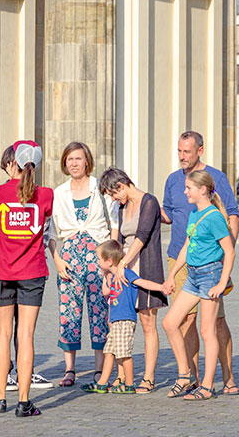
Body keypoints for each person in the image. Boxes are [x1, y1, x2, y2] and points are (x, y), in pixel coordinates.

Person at [162, 130, 239, 395]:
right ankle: (188, 376)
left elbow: (231, 220)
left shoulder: (215, 184)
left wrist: (222, 273)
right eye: (179, 151)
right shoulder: (180, 191)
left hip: (210, 270)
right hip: (187, 266)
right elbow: (174, 223)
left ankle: (219, 380)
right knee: (177, 322)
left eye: (187, 151)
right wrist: (172, 274)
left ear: (200, 150)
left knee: (213, 326)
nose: (182, 157)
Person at [0, 140, 53, 417]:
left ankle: (0, 398)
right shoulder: (45, 195)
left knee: (3, 335)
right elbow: (46, 230)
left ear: (12, 162)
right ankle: (24, 402)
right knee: (26, 336)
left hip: (3, 270)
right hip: (33, 272)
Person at [48, 141, 114, 387]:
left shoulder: (101, 187)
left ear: (87, 161)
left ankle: (99, 368)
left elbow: (113, 224)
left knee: (99, 312)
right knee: (69, 313)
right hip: (69, 259)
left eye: (78, 159)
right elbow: (52, 233)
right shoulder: (58, 193)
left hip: (98, 258)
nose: (74, 163)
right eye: (70, 159)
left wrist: (112, 263)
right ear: (65, 163)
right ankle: (69, 368)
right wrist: (57, 260)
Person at [100, 167, 167, 394]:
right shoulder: (121, 206)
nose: (113, 198)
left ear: (121, 185)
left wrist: (123, 264)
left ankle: (148, 378)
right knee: (120, 323)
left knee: (148, 323)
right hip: (122, 269)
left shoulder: (149, 202)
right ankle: (121, 377)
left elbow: (141, 237)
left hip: (143, 266)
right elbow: (116, 239)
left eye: (113, 193)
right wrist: (109, 271)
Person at [81, 240, 166, 393]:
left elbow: (143, 282)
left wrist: (161, 287)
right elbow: (106, 293)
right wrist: (105, 276)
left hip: (125, 320)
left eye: (99, 259)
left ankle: (129, 383)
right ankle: (102, 382)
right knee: (109, 352)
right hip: (114, 320)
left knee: (124, 353)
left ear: (109, 261)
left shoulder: (126, 273)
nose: (97, 262)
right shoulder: (111, 276)